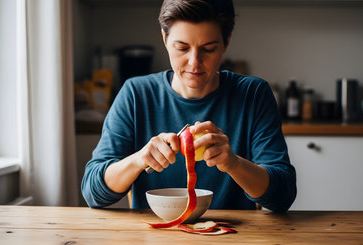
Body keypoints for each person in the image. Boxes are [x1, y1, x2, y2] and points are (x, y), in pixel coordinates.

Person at [81, 0, 296, 213]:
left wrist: (234, 164)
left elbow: (282, 197)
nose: (194, 62)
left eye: (208, 49)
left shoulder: (253, 94)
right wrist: (138, 159)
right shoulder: (136, 94)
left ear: (226, 42)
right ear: (165, 39)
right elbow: (93, 193)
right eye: (182, 48)